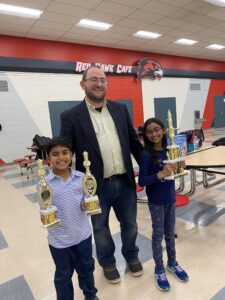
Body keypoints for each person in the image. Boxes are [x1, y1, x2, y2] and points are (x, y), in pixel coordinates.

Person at [60, 66, 144, 284]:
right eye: (94, 79)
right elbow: (66, 153)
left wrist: (153, 163)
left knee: (131, 224)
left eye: (103, 80)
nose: (99, 84)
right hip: (95, 186)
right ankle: (107, 262)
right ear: (83, 84)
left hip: (125, 181)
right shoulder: (70, 116)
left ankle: (132, 255)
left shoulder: (120, 109)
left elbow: (135, 144)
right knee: (100, 227)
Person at [38, 136, 98, 300]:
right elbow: (43, 208)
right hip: (59, 241)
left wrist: (86, 202)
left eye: (65, 152)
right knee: (63, 276)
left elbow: (88, 198)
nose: (61, 157)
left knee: (86, 269)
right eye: (55, 154)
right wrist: (45, 215)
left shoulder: (82, 178)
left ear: (72, 155)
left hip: (82, 236)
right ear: (48, 158)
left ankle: (90, 294)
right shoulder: (44, 184)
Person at [138, 118, 189, 292]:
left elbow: (175, 171)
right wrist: (160, 174)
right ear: (145, 135)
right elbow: (142, 181)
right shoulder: (145, 155)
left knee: (170, 233)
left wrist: (180, 165)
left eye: (157, 129)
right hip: (156, 202)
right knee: (158, 235)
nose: (154, 134)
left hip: (170, 198)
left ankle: (172, 262)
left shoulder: (170, 150)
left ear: (164, 130)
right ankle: (159, 268)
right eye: (150, 131)